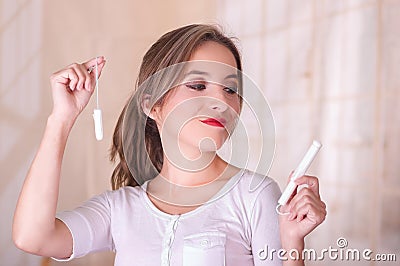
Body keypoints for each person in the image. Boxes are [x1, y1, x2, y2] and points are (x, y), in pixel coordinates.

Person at [13, 24, 326, 265]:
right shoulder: (120, 209)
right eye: (198, 85)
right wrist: (61, 119)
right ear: (152, 105)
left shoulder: (255, 197)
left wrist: (291, 243)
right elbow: (32, 237)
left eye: (231, 89)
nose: (221, 101)